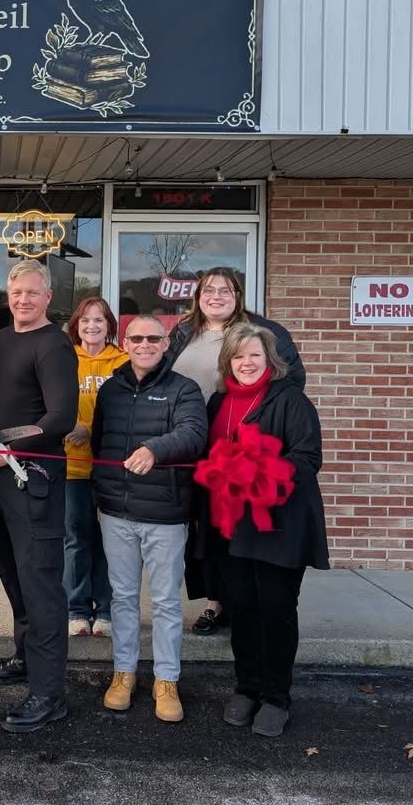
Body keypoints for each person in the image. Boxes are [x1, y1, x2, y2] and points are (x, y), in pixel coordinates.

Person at [167, 267, 306, 637]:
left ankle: (242, 603)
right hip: (194, 443)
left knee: (240, 524)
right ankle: (215, 601)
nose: (216, 296)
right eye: (208, 290)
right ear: (198, 296)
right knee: (206, 525)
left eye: (225, 290)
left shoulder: (264, 331)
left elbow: (292, 379)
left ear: (238, 295)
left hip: (243, 441)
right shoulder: (183, 332)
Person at [204, 322, 328, 737]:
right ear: (228, 362)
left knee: (276, 610)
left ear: (270, 359)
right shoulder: (219, 402)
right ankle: (247, 688)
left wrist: (259, 473)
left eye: (254, 355)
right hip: (231, 526)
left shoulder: (290, 400)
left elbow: (307, 457)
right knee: (242, 609)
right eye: (239, 356)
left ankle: (276, 697)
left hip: (279, 524)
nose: (247, 363)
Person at [0, 260, 79, 733]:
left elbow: (60, 418)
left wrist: (8, 450)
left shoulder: (54, 345)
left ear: (48, 297)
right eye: (16, 291)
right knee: (13, 574)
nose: (23, 299)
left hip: (34, 477)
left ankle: (49, 693)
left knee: (41, 584)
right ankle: (26, 658)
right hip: (1, 477)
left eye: (33, 292)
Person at [89, 316, 207, 722]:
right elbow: (101, 443)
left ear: (166, 342)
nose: (144, 344)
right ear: (125, 342)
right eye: (136, 338)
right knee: (122, 598)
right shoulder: (111, 390)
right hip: (116, 513)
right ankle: (124, 673)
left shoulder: (184, 389)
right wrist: (101, 493)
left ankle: (166, 680)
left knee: (165, 602)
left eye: (153, 338)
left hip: (164, 514)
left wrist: (155, 449)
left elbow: (194, 435)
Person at [62, 297, 128, 638]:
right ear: (76, 325)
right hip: (72, 467)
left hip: (111, 468)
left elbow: (126, 409)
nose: (92, 326)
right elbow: (53, 402)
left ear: (109, 326)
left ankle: (105, 609)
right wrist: (71, 424)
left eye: (99, 320)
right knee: (76, 539)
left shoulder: (124, 361)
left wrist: (88, 427)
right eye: (85, 320)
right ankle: (75, 609)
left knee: (108, 541)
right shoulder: (64, 358)